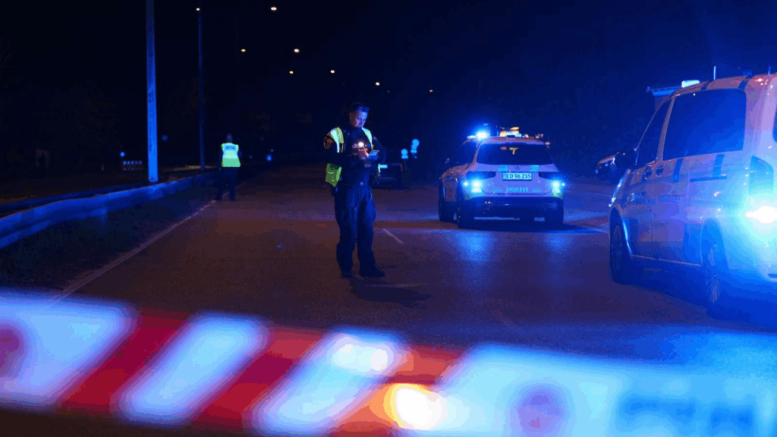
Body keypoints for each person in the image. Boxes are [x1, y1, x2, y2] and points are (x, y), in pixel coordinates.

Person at [324, 102, 387, 278]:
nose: (361, 122)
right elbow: (331, 157)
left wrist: (373, 157)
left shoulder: (367, 133)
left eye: (364, 119)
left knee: (366, 229)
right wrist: (355, 157)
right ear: (350, 115)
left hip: (365, 189)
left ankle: (368, 267)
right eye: (359, 118)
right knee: (349, 230)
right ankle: (346, 268)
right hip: (346, 189)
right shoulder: (336, 134)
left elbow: (382, 152)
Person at [217, 134, 241, 201]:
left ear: (226, 139)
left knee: (222, 182)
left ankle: (219, 197)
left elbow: (220, 156)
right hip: (234, 166)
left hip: (225, 166)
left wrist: (219, 166)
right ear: (232, 139)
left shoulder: (223, 146)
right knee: (232, 182)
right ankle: (232, 197)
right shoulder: (236, 146)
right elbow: (240, 155)